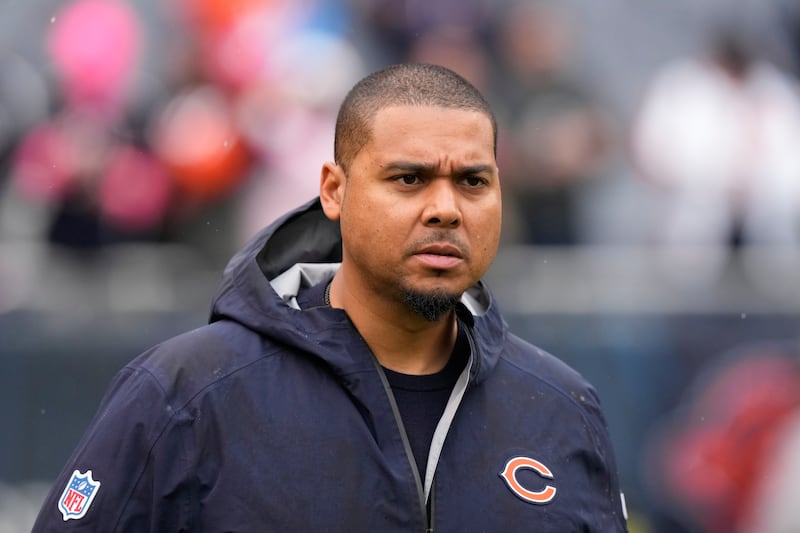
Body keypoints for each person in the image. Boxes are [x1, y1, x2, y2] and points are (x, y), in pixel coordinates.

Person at [32, 63, 628, 531]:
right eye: (409, 178)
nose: (446, 208)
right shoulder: (185, 393)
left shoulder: (563, 409)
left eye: (473, 181)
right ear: (334, 191)